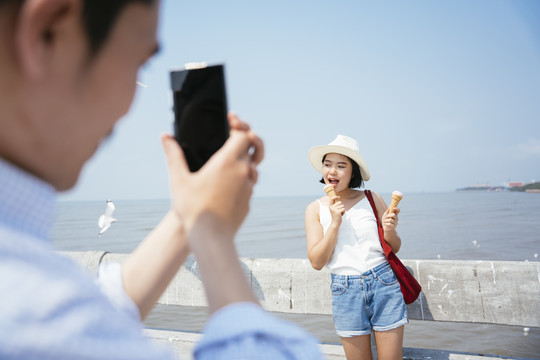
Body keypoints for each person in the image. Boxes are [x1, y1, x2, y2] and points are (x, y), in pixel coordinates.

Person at [0, 0, 323, 359]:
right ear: (45, 32)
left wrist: (190, 212)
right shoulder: (36, 323)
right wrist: (211, 229)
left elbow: (93, 312)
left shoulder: (35, 292)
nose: (129, 104)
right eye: (139, 62)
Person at [304, 135, 407, 360]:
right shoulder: (315, 209)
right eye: (327, 164)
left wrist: (389, 230)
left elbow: (394, 247)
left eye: (341, 166)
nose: (333, 171)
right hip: (345, 289)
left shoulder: (372, 198)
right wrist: (334, 223)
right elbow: (317, 262)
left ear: (353, 172)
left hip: (383, 284)